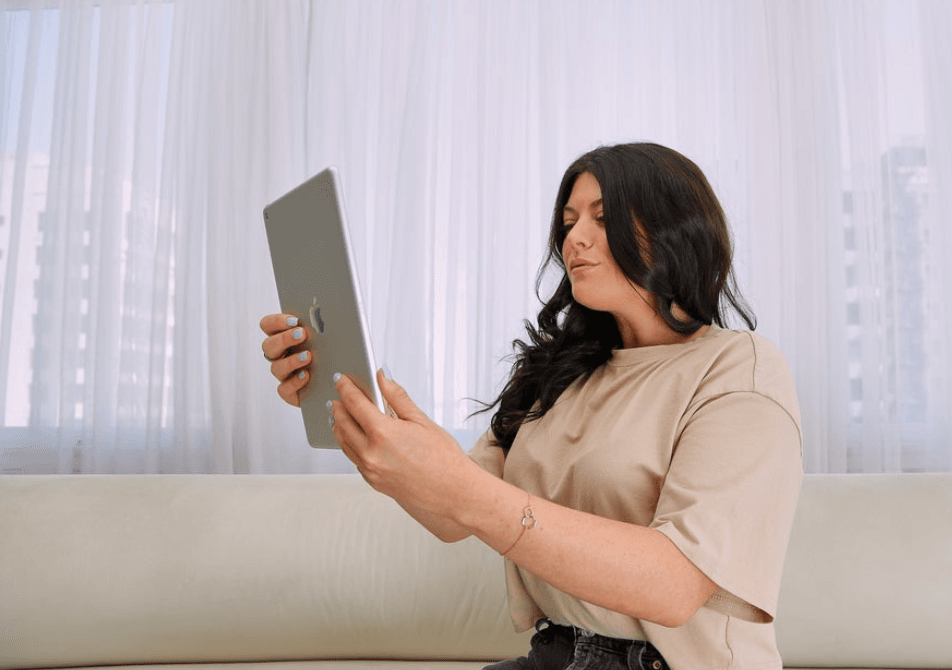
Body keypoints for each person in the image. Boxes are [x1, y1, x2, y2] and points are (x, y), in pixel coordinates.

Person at [260, 142, 803, 670]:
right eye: (568, 222)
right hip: (556, 655)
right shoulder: (559, 372)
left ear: (673, 230)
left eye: (602, 217)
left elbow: (675, 586)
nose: (575, 239)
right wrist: (362, 420)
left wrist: (467, 492)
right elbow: (452, 513)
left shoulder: (739, 370)